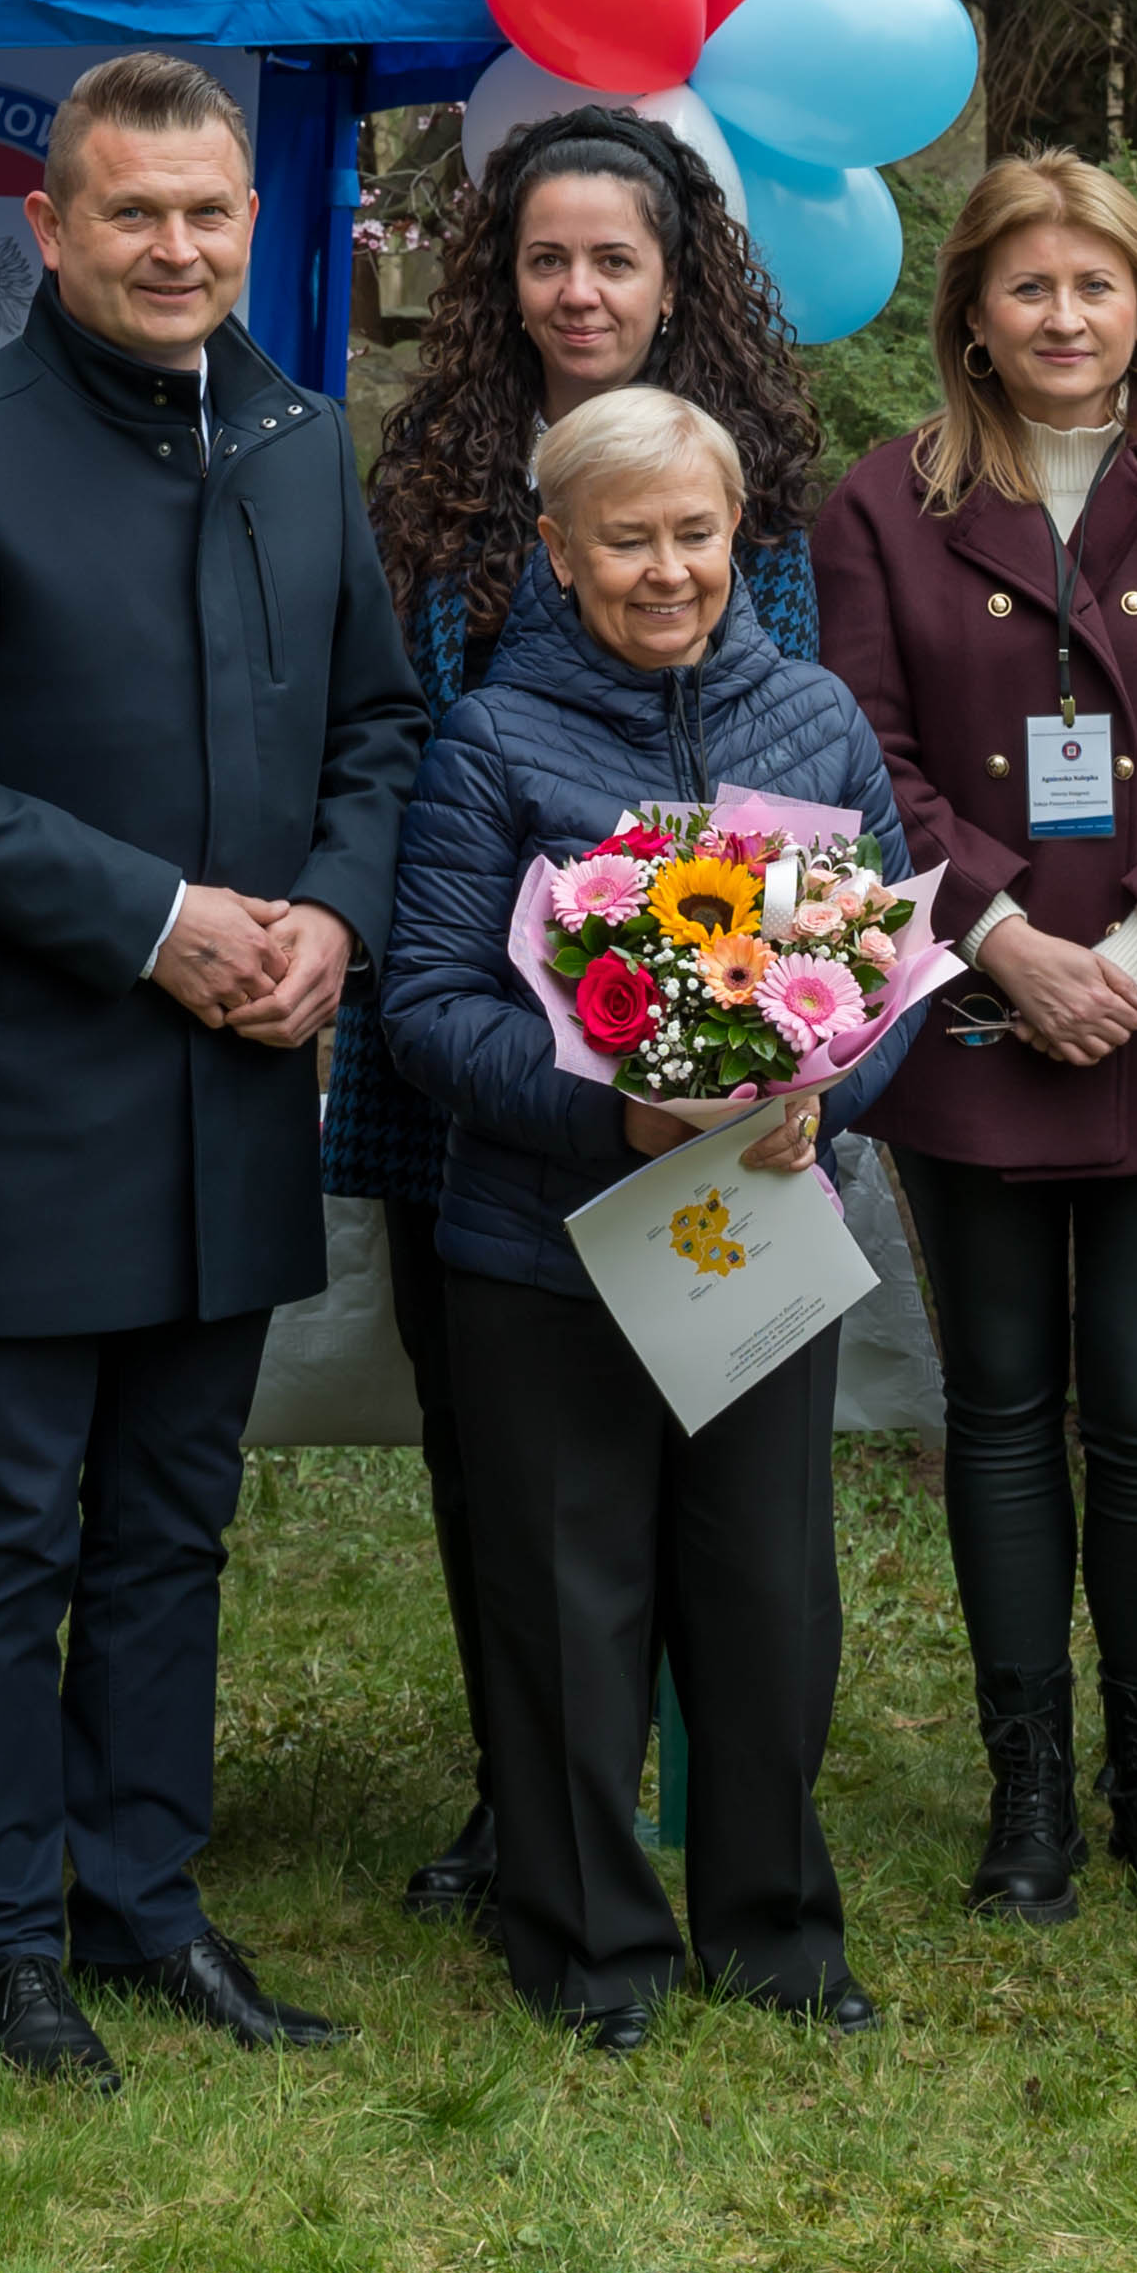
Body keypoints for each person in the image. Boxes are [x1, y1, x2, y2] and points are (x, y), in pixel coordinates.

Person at [0, 51, 425, 2088]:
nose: (177, 248)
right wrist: (158, 920)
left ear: (255, 223)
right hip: (31, 1088)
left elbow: (377, 727)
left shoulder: (304, 439)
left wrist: (333, 915)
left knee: (176, 1520)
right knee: (12, 1527)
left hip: (237, 1081)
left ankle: (145, 1898)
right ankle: (0, 1936)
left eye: (208, 212)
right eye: (134, 212)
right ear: (50, 226)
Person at [814, 153, 1137, 1916]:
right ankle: (1028, 1787)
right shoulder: (881, 504)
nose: (1064, 317)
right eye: (1030, 286)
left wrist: (1133, 953)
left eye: (1096, 287)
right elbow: (867, 760)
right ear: (972, 311)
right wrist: (1000, 942)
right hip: (975, 1013)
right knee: (999, 1408)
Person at [379, 389, 923, 2046]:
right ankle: (588, 1946)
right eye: (627, 540)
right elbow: (428, 1008)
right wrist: (609, 1114)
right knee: (570, 1597)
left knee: (767, 1591)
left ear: (740, 534)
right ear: (557, 552)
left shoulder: (817, 717)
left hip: (756, 1232)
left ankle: (777, 1931)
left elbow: (892, 969)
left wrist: (832, 1094)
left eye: (695, 533)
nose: (668, 570)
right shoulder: (492, 740)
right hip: (546, 1251)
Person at [339, 105, 826, 1934]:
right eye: (544, 257)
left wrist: (755, 1062)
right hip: (481, 1049)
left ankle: (717, 1818)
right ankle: (531, 1806)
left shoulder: (747, 492)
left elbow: (784, 769)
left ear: (674, 275)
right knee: (513, 1464)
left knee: (729, 1479)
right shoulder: (435, 485)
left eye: (613, 256)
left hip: (719, 1070)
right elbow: (387, 745)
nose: (578, 290)